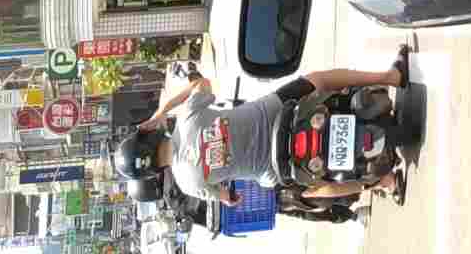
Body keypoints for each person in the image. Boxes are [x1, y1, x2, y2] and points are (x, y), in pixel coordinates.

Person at [116, 46, 412, 218]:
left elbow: (226, 196)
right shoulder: (186, 118)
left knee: (314, 191)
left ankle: (383, 182)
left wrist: (228, 197)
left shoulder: (187, 183)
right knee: (319, 81)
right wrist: (161, 111)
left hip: (276, 168)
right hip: (274, 111)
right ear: (149, 134)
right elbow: (201, 83)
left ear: (150, 172)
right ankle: (391, 76)